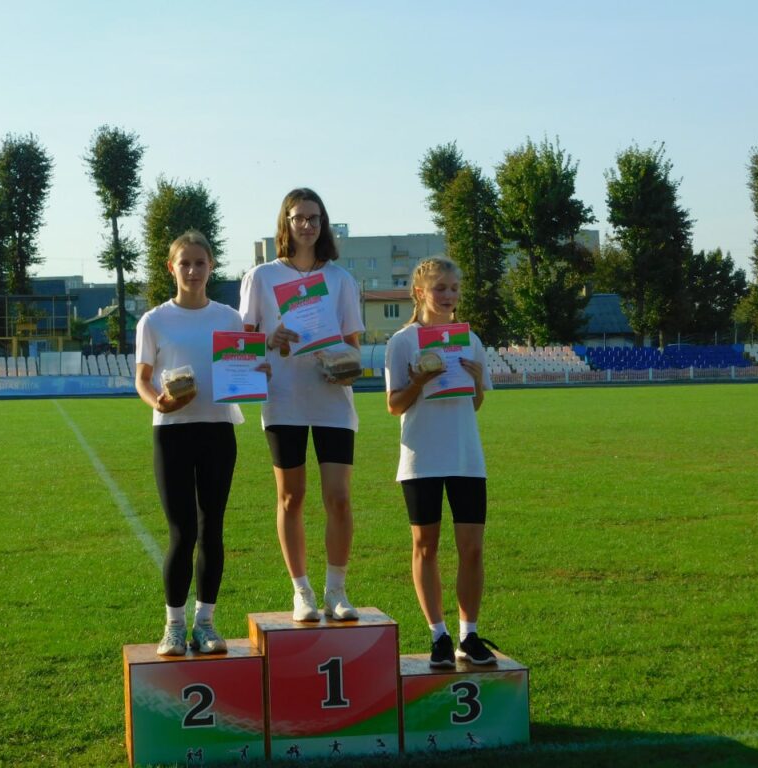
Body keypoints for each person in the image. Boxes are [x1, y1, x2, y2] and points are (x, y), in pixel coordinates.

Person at [136, 230, 268, 656]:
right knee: (182, 531)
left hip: (217, 430)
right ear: (171, 268)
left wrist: (257, 371)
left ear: (211, 267)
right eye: (185, 263)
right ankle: (174, 626)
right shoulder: (154, 321)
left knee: (212, 528)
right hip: (172, 432)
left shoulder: (229, 319)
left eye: (200, 263)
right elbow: (142, 379)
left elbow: (244, 365)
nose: (192, 270)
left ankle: (205, 623)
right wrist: (158, 401)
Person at [239, 188, 365, 622]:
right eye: (299, 218)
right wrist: (268, 339)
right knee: (291, 497)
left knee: (339, 499)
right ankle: (302, 591)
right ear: (286, 223)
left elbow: (353, 346)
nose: (307, 225)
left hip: (332, 400)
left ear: (323, 223)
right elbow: (242, 344)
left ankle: (336, 591)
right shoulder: (261, 277)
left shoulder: (341, 280)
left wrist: (342, 366)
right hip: (284, 398)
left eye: (314, 218)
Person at [384, 257, 499, 668]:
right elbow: (394, 405)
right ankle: (438, 635)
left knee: (472, 548)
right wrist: (418, 380)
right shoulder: (403, 342)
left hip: (466, 456)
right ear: (420, 292)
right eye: (440, 288)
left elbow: (475, 403)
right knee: (425, 546)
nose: (449, 295)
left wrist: (475, 382)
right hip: (422, 457)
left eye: (454, 288)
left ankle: (469, 634)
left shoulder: (470, 340)